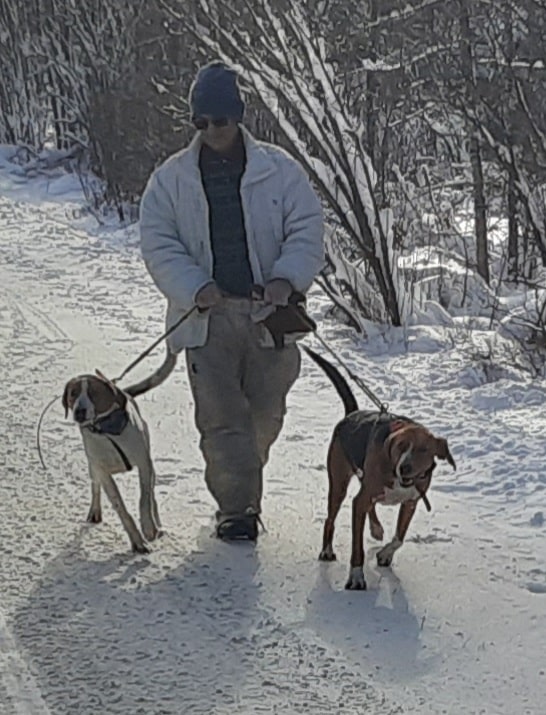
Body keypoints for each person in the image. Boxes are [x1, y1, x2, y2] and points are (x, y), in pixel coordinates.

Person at [139, 61, 324, 541]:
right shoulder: (170, 180)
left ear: (237, 117)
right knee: (222, 420)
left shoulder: (281, 171)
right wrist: (194, 286)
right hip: (206, 316)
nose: (211, 130)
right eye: (201, 122)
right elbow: (158, 242)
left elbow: (306, 229)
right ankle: (237, 510)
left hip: (270, 315)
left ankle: (244, 475)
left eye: (219, 120)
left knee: (264, 417)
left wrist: (285, 278)